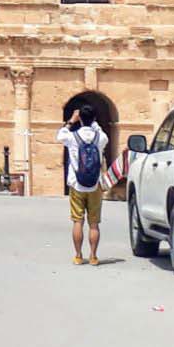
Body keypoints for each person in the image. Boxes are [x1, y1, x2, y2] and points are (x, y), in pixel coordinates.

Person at [57, 105, 109, 266]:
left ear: (80, 118)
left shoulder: (72, 137)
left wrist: (71, 121)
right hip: (95, 185)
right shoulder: (100, 138)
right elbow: (102, 133)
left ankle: (79, 256)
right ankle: (93, 256)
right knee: (94, 223)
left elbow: (60, 135)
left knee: (77, 221)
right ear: (94, 119)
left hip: (76, 184)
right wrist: (93, 122)